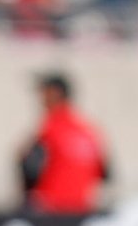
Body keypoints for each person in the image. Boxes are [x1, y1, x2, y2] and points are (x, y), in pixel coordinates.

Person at [19, 72, 109, 213]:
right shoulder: (90, 132)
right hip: (82, 211)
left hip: (51, 211)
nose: (41, 99)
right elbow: (105, 174)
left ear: (55, 94)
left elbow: (29, 167)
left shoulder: (51, 128)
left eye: (44, 93)